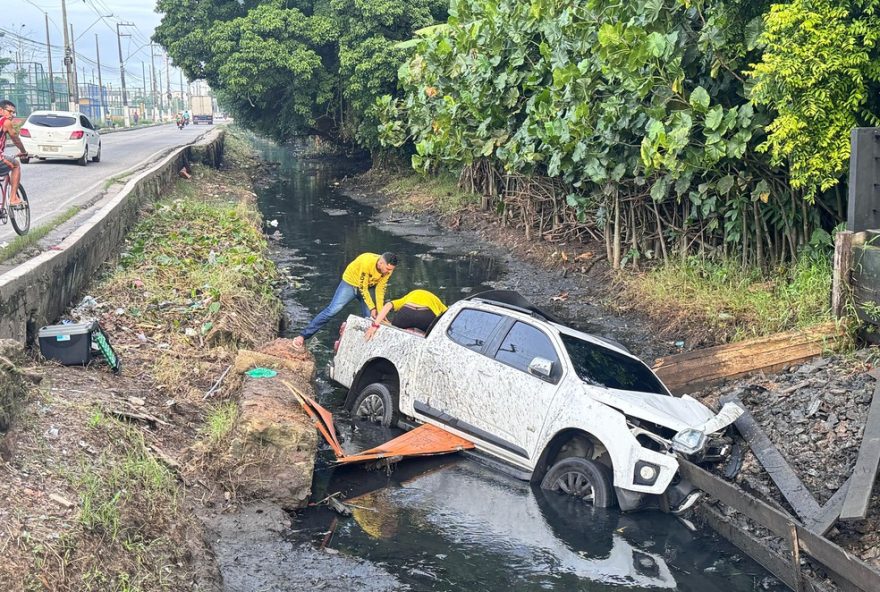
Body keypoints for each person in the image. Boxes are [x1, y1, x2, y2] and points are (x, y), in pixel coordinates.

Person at [293, 252, 398, 348]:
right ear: (380, 263)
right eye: (388, 269)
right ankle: (303, 336)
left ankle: (364, 348)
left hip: (369, 286)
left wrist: (380, 312)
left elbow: (380, 290)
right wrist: (372, 307)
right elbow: (362, 288)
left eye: (391, 270)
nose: (389, 272)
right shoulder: (367, 261)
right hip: (350, 284)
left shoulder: (388, 270)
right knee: (332, 311)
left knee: (372, 319)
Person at [365, 289, 447, 341]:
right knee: (434, 333)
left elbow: (388, 305)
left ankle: (392, 325)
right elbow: (448, 314)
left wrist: (375, 325)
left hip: (406, 313)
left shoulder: (407, 297)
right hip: (425, 314)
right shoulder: (437, 301)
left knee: (394, 327)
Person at [0, 100, 27, 206]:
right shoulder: (5, 122)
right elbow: (15, 139)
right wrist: (23, 152)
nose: (11, 115)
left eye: (13, 113)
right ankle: (13, 199)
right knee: (16, 165)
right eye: (9, 111)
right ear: (1, 110)